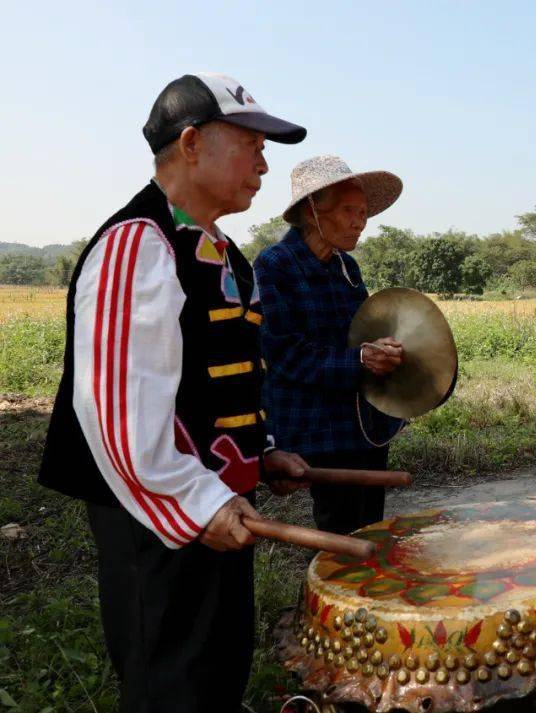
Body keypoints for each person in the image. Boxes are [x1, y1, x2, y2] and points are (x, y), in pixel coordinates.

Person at [37, 73, 311, 711]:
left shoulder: (223, 253)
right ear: (191, 143)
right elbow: (113, 415)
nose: (265, 165)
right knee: (171, 683)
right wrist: (199, 502)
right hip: (159, 518)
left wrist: (258, 451)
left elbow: (220, 372)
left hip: (216, 508)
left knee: (218, 669)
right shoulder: (137, 245)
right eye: (251, 144)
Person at [256, 155, 405, 535]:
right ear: (313, 211)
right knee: (340, 532)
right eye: (349, 211)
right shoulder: (274, 267)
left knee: (370, 526)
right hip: (318, 428)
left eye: (364, 212)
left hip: (363, 423)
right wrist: (359, 360)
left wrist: (384, 349)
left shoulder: (346, 267)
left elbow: (364, 330)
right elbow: (285, 354)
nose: (360, 222)